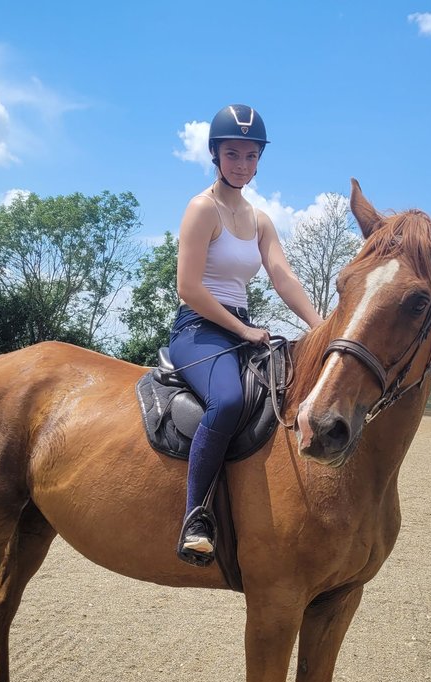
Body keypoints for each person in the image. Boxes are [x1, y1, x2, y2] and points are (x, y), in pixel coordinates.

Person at [170, 103, 325, 565]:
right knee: (230, 401)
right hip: (199, 328)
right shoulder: (202, 209)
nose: (242, 164)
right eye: (233, 154)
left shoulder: (259, 220)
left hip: (241, 330)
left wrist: (323, 329)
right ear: (216, 155)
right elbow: (188, 287)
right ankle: (195, 516)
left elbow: (284, 279)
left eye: (251, 156)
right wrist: (242, 328)